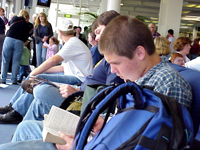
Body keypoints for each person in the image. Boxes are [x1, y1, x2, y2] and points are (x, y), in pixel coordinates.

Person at [0, 15, 193, 150]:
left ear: (140, 53)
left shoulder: (168, 85)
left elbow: (150, 142)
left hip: (94, 145)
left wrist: (80, 145)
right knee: (27, 127)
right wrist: (105, 123)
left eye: (116, 63)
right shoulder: (141, 79)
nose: (114, 71)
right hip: (98, 137)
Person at [0, 18, 93, 123]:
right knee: (37, 76)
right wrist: (40, 71)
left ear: (60, 32)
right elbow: (62, 67)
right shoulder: (74, 42)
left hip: (77, 80)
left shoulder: (72, 43)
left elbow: (53, 60)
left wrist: (35, 73)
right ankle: (14, 106)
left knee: (36, 78)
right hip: (75, 78)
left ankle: (16, 111)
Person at [0, 9, 30, 84]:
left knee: (5, 60)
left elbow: (8, 25)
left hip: (9, 39)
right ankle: (13, 79)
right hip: (19, 42)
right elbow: (26, 36)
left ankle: (3, 79)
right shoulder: (26, 24)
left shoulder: (14, 18)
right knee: (16, 61)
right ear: (26, 16)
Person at [0, 7, 6, 72]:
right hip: (1, 35)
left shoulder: (2, 19)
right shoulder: (2, 19)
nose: (3, 13)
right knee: (1, 52)